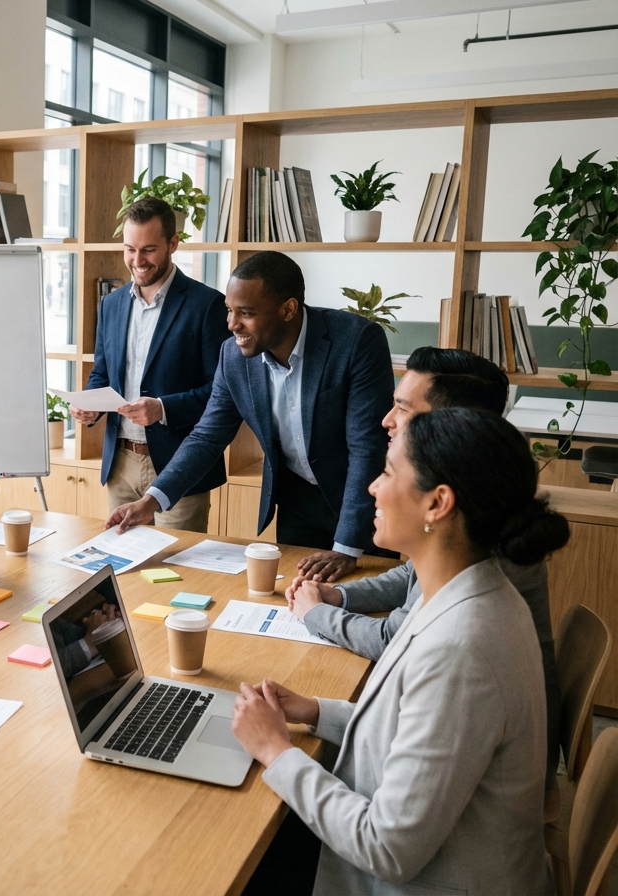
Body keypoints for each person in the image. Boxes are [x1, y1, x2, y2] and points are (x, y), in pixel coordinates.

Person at [232, 408, 568, 895]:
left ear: (438, 504)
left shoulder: (462, 648)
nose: (372, 487)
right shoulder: (473, 591)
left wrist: (274, 751)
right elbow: (416, 728)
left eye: (388, 472)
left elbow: (387, 848)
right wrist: (313, 710)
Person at [288, 346, 563, 789]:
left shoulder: (466, 620)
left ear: (451, 424)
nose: (387, 421)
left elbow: (389, 845)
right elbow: (411, 577)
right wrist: (341, 597)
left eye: (402, 408)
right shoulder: (477, 503)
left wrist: (316, 614)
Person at [107, 250, 395, 581]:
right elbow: (208, 436)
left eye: (245, 313)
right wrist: (151, 501)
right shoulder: (234, 356)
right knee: (297, 601)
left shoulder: (356, 341)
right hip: (297, 502)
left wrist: (346, 548)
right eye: (230, 311)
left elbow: (366, 447)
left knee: (363, 603)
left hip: (362, 501)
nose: (231, 325)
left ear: (288, 309)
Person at [69, 197, 230, 533]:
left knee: (177, 569)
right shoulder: (111, 304)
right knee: (123, 566)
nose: (137, 261)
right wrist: (89, 406)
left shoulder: (207, 305)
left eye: (149, 250)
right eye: (130, 249)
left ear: (173, 243)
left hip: (180, 464)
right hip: (121, 464)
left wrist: (162, 408)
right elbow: (102, 372)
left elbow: (221, 394)